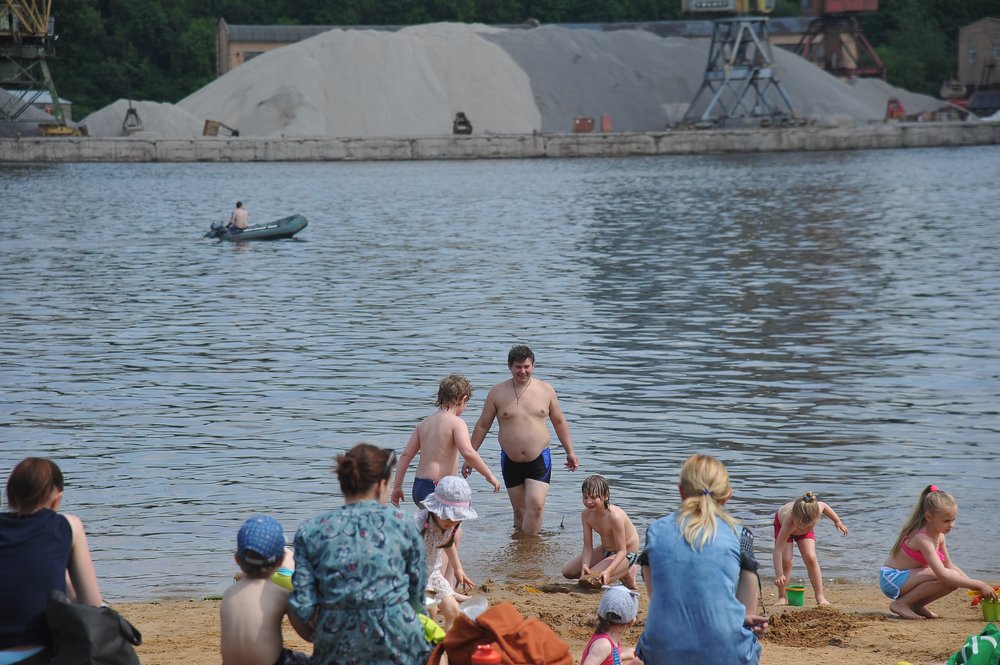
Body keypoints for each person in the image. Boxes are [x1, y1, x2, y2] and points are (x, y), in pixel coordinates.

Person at [288, 444, 430, 665]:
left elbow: (303, 608)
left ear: (343, 483)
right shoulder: (406, 524)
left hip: (337, 648)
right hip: (400, 644)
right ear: (381, 484)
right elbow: (416, 596)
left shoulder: (311, 530)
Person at [635, 454, 766, 665]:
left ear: (681, 491)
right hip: (726, 653)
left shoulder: (655, 531)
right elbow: (747, 612)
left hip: (662, 651)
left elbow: (658, 598)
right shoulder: (741, 535)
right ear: (726, 496)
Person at [463, 344, 579, 535]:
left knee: (537, 506)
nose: (522, 371)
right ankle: (520, 554)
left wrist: (570, 451)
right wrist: (470, 456)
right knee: (519, 512)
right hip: (510, 460)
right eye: (518, 367)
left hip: (539, 458)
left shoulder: (546, 390)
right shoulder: (497, 392)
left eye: (526, 366)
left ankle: (531, 551)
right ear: (510, 367)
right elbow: (483, 425)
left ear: (533, 365)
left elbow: (559, 421)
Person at [1, 457, 103, 665]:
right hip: (38, 653)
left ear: (10, 495)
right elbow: (91, 605)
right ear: (57, 499)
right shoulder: (69, 525)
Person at [880, 484, 997, 620]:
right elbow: (942, 574)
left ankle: (916, 606)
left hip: (908, 578)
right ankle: (901, 604)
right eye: (946, 521)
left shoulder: (939, 535)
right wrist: (980, 585)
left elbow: (949, 564)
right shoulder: (922, 538)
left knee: (953, 581)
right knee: (948, 576)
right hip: (891, 579)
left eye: (953, 520)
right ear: (929, 517)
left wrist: (975, 589)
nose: (951, 525)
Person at [392, 374, 500, 507]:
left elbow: (405, 456)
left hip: (419, 487)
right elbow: (467, 452)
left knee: (430, 525)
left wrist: (397, 487)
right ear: (464, 399)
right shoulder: (456, 423)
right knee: (456, 519)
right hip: (439, 488)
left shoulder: (424, 424)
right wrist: (489, 475)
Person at [221, 515, 308, 665]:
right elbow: (307, 633)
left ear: (237, 559)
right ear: (281, 561)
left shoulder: (230, 593)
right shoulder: (280, 593)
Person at [416, 476, 479, 630]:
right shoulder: (419, 523)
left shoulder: (452, 525)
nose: (451, 523)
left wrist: (458, 569)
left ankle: (448, 645)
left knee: (454, 613)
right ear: (436, 509)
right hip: (415, 575)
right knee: (429, 612)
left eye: (456, 519)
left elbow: (448, 543)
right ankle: (421, 645)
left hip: (433, 574)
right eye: (447, 518)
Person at [561, 475, 640, 589]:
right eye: (585, 497)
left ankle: (627, 571)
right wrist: (585, 565)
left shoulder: (614, 516)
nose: (588, 502)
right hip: (606, 550)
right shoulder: (586, 515)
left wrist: (608, 571)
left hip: (626, 553)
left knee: (591, 581)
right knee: (567, 572)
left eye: (593, 497)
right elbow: (588, 547)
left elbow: (622, 551)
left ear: (606, 496)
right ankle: (622, 572)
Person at [772, 491, 848, 605]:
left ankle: (820, 597)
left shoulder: (816, 510)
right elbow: (778, 550)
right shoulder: (789, 521)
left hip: (804, 529)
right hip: (784, 527)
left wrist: (837, 521)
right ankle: (782, 597)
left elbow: (824, 505)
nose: (803, 528)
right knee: (787, 561)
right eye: (800, 525)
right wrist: (779, 574)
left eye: (808, 526)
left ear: (816, 518)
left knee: (811, 558)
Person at [580, 585, 640, 665]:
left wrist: (625, 655)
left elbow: (609, 659)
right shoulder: (604, 644)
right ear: (631, 622)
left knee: (639, 660)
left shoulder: (611, 640)